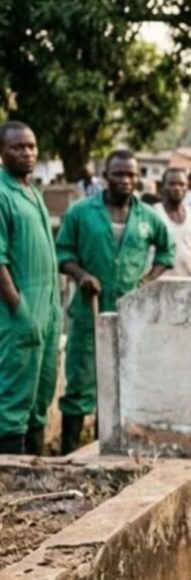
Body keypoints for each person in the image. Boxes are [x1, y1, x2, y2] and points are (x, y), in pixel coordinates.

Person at [56, 149, 176, 454]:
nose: (125, 180)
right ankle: (69, 450)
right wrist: (81, 275)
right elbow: (63, 253)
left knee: (125, 379)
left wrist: (147, 281)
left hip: (130, 314)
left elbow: (166, 252)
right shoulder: (81, 212)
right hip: (89, 312)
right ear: (106, 176)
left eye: (131, 174)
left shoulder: (148, 217)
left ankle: (107, 447)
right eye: (119, 174)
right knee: (81, 380)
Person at [0, 121, 62, 455]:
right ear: (1, 152)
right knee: (14, 397)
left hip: (48, 311)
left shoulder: (32, 191)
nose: (27, 153)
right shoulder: (1, 193)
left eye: (31, 146)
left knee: (41, 393)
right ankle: (9, 476)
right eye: (17, 147)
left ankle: (38, 469)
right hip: (19, 312)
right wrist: (18, 308)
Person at [155, 168, 191, 277]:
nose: (177, 188)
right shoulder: (153, 214)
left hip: (186, 285)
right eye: (172, 184)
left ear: (187, 187)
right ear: (163, 187)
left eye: (182, 184)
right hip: (156, 286)